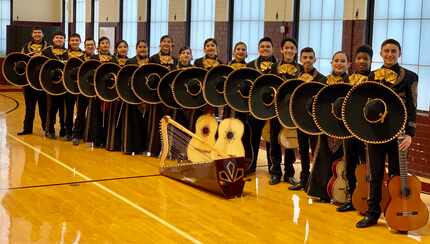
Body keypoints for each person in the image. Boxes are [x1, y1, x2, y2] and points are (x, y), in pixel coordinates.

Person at [356, 39, 418, 228]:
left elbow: (412, 106)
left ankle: (396, 212)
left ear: (399, 53)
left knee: (397, 175)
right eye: (386, 51)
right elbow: (367, 107)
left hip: (399, 136)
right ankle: (372, 214)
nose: (390, 54)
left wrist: (410, 134)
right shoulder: (372, 76)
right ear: (381, 54)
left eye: (393, 51)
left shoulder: (410, 77)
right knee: (375, 174)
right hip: (375, 134)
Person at [306, 51, 349, 202]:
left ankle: (341, 194)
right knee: (323, 158)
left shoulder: (351, 82)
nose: (339, 63)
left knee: (342, 160)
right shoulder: (323, 81)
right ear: (331, 63)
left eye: (342, 61)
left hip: (344, 129)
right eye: (336, 60)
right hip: (325, 126)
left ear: (348, 64)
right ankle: (323, 193)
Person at [336, 45, 372, 212]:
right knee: (349, 164)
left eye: (365, 58)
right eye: (359, 58)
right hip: (349, 129)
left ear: (371, 60)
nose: (362, 61)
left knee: (367, 166)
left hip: (367, 131)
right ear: (354, 61)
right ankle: (352, 198)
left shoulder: (375, 79)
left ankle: (369, 199)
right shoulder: (346, 80)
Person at [289, 47, 326, 191]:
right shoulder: (295, 78)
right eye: (305, 57)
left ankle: (314, 182)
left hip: (314, 122)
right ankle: (303, 180)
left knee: (315, 152)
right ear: (300, 59)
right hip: (299, 120)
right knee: (302, 151)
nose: (308, 60)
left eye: (311, 57)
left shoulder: (322, 79)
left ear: (315, 59)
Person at [246, 37, 278, 175]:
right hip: (255, 108)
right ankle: (251, 165)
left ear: (273, 49)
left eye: (268, 46)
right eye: (262, 46)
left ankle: (273, 168)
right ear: (258, 49)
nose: (265, 48)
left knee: (272, 138)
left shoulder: (279, 66)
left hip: (273, 108)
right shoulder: (250, 65)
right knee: (253, 137)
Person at [18, 26, 48, 136]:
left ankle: (46, 129)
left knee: (43, 108)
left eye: (39, 32)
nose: (37, 34)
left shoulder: (48, 48)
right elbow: (21, 62)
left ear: (43, 34)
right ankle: (27, 129)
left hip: (42, 83)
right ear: (32, 34)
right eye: (35, 32)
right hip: (28, 83)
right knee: (29, 107)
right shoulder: (25, 47)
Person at [42, 31, 68, 139]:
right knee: (51, 109)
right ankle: (49, 130)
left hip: (65, 86)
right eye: (57, 37)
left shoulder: (68, 52)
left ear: (64, 40)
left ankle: (63, 130)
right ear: (53, 39)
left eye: (61, 38)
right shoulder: (46, 52)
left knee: (64, 110)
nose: (59, 39)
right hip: (51, 86)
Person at [72, 38, 96, 145]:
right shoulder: (79, 59)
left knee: (93, 114)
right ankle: (77, 135)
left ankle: (90, 137)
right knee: (80, 113)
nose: (90, 46)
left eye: (92, 45)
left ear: (95, 46)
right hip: (82, 91)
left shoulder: (98, 59)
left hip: (95, 92)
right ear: (84, 46)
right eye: (88, 45)